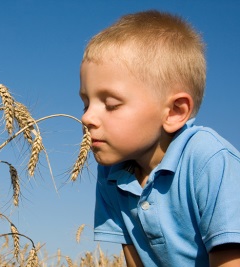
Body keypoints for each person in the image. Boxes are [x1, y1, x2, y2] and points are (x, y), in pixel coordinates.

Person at [79, 10, 240, 266]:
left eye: (110, 104)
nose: (87, 118)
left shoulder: (209, 160)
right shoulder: (111, 174)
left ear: (175, 112)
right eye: (86, 103)